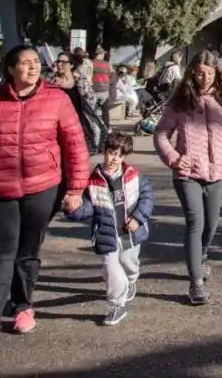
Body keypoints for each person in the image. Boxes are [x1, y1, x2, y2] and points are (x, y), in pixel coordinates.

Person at [0, 45, 89, 356]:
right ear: (11, 68)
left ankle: (23, 307)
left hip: (42, 188)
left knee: (27, 253)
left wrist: (75, 189)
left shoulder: (57, 99)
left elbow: (75, 145)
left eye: (35, 62)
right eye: (25, 63)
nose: (33, 67)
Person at [153, 50, 222, 306]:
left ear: (217, 74)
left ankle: (201, 257)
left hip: (217, 171)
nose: (205, 78)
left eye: (210, 73)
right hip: (187, 173)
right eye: (201, 73)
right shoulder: (181, 99)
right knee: (196, 222)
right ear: (192, 72)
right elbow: (161, 134)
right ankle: (196, 283)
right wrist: (173, 158)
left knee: (211, 226)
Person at [62, 132, 154, 327]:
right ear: (104, 151)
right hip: (106, 233)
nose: (114, 159)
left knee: (129, 263)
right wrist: (72, 209)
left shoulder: (134, 176)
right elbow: (88, 208)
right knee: (110, 267)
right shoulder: (93, 181)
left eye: (119, 155)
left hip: (130, 232)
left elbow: (147, 198)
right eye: (111, 153)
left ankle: (131, 280)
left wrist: (138, 218)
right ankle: (116, 305)